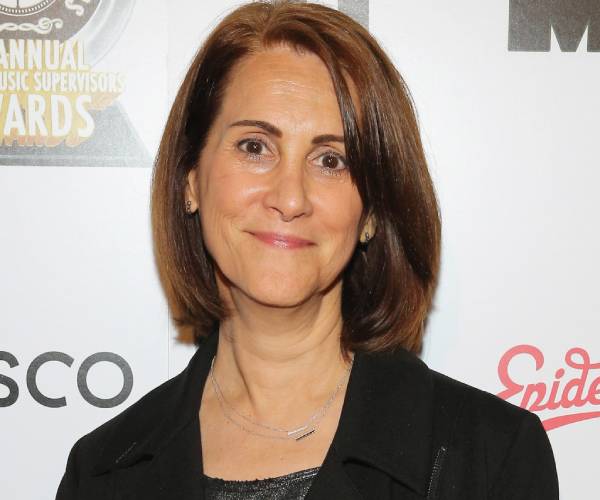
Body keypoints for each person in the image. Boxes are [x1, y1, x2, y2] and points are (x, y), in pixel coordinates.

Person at [56, 1, 559, 499]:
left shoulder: (489, 458)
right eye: (255, 147)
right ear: (190, 178)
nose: (290, 198)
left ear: (372, 211)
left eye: (331, 160)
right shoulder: (100, 473)